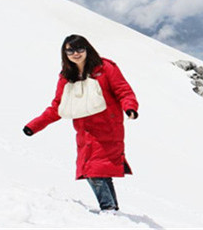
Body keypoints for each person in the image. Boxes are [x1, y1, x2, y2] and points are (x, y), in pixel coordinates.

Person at [23, 34, 138, 214]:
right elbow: (58, 106)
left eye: (79, 49)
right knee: (98, 170)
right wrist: (34, 125)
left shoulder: (105, 68)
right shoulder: (66, 76)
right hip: (84, 132)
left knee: (94, 170)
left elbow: (123, 90)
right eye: (70, 50)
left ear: (87, 49)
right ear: (65, 53)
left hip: (108, 127)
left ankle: (108, 209)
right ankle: (113, 210)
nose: (75, 53)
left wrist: (130, 107)